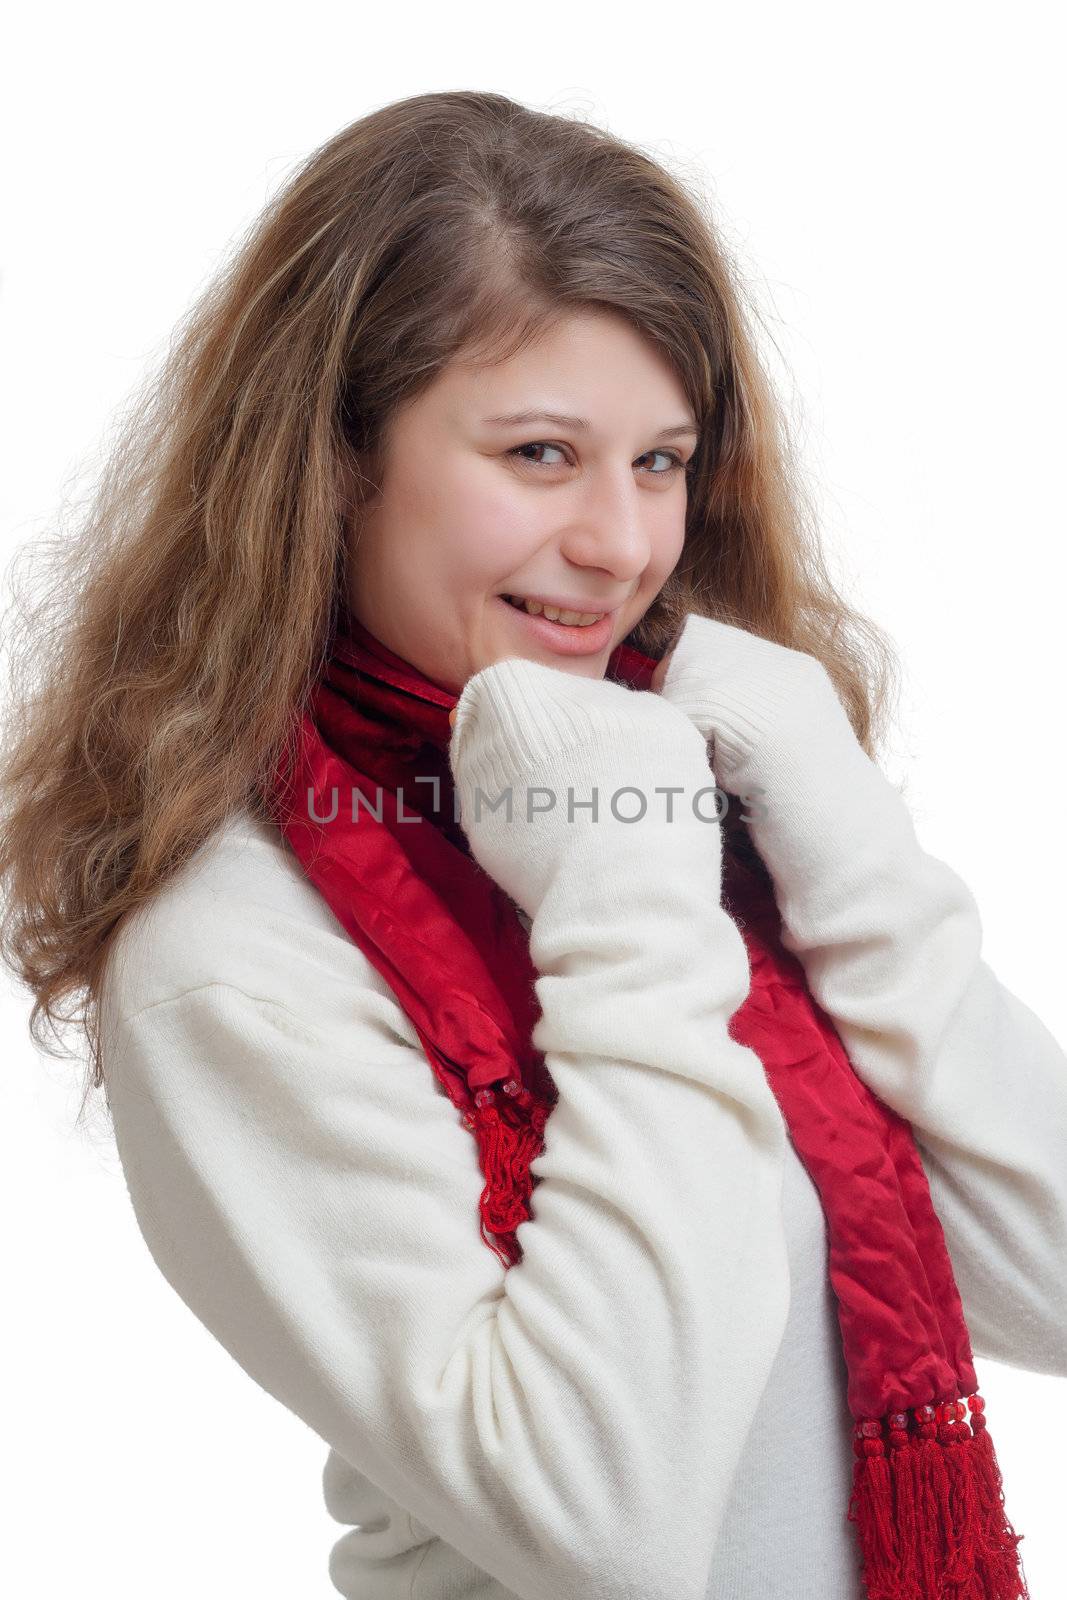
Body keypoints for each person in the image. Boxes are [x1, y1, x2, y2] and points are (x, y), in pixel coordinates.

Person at [2, 89, 1065, 1600]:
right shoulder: (236, 962)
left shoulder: (697, 811)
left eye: (659, 461)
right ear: (338, 461)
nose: (625, 547)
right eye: (542, 454)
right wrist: (627, 893)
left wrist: (853, 852)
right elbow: (603, 1523)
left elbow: (1054, 1278)